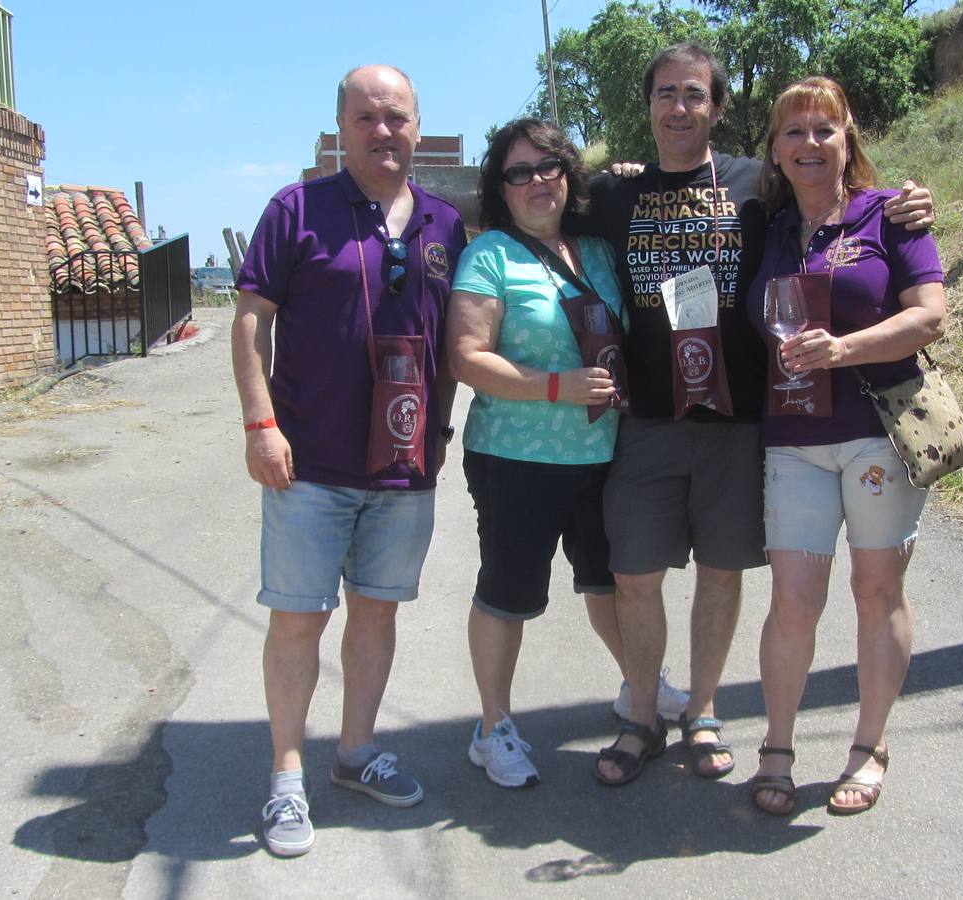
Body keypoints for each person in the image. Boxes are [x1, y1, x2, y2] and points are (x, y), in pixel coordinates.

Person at [577, 42, 936, 786]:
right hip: (648, 421)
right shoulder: (613, 193)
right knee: (634, 574)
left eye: (695, 94)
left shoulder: (754, 190)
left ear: (718, 108)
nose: (680, 107)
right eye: (666, 94)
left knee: (722, 573)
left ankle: (703, 712)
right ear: (647, 105)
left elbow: (842, 202)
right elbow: (536, 206)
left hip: (744, 423)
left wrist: (911, 203)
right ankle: (640, 716)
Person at [232, 64, 467, 856]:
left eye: (395, 115)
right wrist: (260, 424)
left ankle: (356, 752)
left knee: (376, 613)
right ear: (341, 128)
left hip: (405, 466)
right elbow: (250, 322)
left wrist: (441, 433)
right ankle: (286, 777)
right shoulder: (295, 210)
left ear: (416, 125)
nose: (382, 130)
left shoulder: (444, 223)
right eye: (365, 117)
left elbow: (456, 338)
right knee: (298, 620)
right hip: (308, 464)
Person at [742, 76, 946, 816]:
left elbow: (929, 317)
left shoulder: (889, 215)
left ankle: (868, 746)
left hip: (876, 435)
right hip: (792, 441)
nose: (810, 143)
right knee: (793, 600)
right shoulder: (765, 228)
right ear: (774, 148)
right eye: (793, 131)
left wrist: (843, 349)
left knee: (875, 591)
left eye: (824, 129)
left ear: (847, 138)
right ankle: (776, 746)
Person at [447, 118, 636, 788]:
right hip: (515, 459)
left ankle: (641, 687)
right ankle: (492, 727)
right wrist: (557, 386)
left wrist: (632, 176)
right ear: (501, 187)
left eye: (548, 166)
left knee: (611, 585)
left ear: (568, 174)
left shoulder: (599, 250)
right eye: (518, 172)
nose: (536, 182)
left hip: (602, 452)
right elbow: (466, 357)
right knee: (508, 593)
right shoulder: (489, 256)